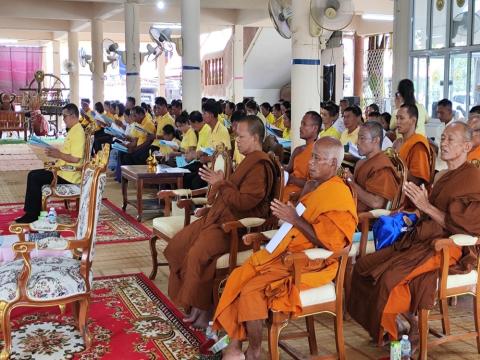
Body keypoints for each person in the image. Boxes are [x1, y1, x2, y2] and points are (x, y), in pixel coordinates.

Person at [213, 137, 358, 360]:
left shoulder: (339, 194)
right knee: (239, 276)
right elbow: (294, 227)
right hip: (288, 253)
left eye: (317, 159)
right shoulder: (317, 187)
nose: (310, 162)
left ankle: (254, 351)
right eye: (312, 156)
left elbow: (333, 245)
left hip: (310, 264)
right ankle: (234, 345)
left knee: (252, 290)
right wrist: (271, 232)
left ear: (333, 164)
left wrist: (295, 219)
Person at [348, 122, 480, 350]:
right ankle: (400, 326)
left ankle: (402, 338)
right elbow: (430, 209)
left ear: (467, 146)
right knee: (363, 267)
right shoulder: (442, 177)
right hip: (423, 239)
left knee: (389, 280)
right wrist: (415, 213)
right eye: (443, 138)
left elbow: (467, 225)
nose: (443, 143)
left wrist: (426, 207)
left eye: (450, 139)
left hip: (450, 248)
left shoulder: (473, 179)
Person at [164, 115, 277, 330]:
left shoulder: (260, 165)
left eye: (241, 137)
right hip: (219, 217)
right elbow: (231, 197)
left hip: (239, 228)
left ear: (255, 138)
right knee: (180, 244)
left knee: (198, 253)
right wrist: (213, 203)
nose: (237, 141)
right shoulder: (248, 160)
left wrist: (221, 183)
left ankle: (202, 308)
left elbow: (245, 202)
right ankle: (197, 305)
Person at [16, 104, 85, 223]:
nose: (63, 119)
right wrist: (56, 156)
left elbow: (75, 159)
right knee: (33, 175)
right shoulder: (73, 130)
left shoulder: (78, 132)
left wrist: (58, 154)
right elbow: (67, 154)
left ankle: (32, 215)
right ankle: (33, 213)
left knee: (34, 177)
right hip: (62, 170)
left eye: (64, 116)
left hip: (69, 175)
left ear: (73, 116)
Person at [343, 122, 400, 212]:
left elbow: (376, 203)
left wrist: (351, 182)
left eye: (362, 138)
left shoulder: (382, 167)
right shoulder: (362, 162)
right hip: (351, 207)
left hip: (366, 219)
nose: (357, 142)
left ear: (376, 140)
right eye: (358, 138)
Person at [282, 111, 321, 202]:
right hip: (288, 187)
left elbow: (315, 184)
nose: (300, 127)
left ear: (314, 128)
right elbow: (288, 169)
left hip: (303, 193)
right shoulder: (298, 150)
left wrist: (293, 180)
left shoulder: (320, 152)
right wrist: (276, 163)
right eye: (301, 124)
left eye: (304, 124)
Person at [394, 104, 431, 185]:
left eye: (401, 118)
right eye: (397, 118)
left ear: (413, 121)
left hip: (408, 193)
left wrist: (394, 172)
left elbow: (417, 180)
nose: (397, 122)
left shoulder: (418, 144)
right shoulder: (397, 143)